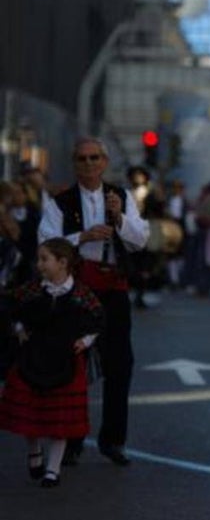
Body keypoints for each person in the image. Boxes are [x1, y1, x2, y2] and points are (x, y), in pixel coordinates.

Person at [38, 137, 150, 466]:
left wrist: (119, 219)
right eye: (82, 159)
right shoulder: (60, 202)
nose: (88, 164)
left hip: (113, 287)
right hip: (76, 289)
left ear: (104, 162)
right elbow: (44, 243)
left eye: (94, 158)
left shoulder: (122, 197)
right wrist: (81, 238)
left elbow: (140, 240)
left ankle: (113, 440)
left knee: (120, 364)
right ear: (75, 164)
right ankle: (70, 441)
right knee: (73, 363)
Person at [0, 239, 104, 487]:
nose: (39, 264)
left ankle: (53, 469)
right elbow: (9, 306)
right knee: (30, 409)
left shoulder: (80, 293)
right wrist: (18, 327)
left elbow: (99, 317)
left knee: (61, 418)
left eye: (45, 259)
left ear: (63, 263)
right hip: (33, 357)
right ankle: (34, 449)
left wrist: (86, 340)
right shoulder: (34, 289)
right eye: (39, 259)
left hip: (65, 361)